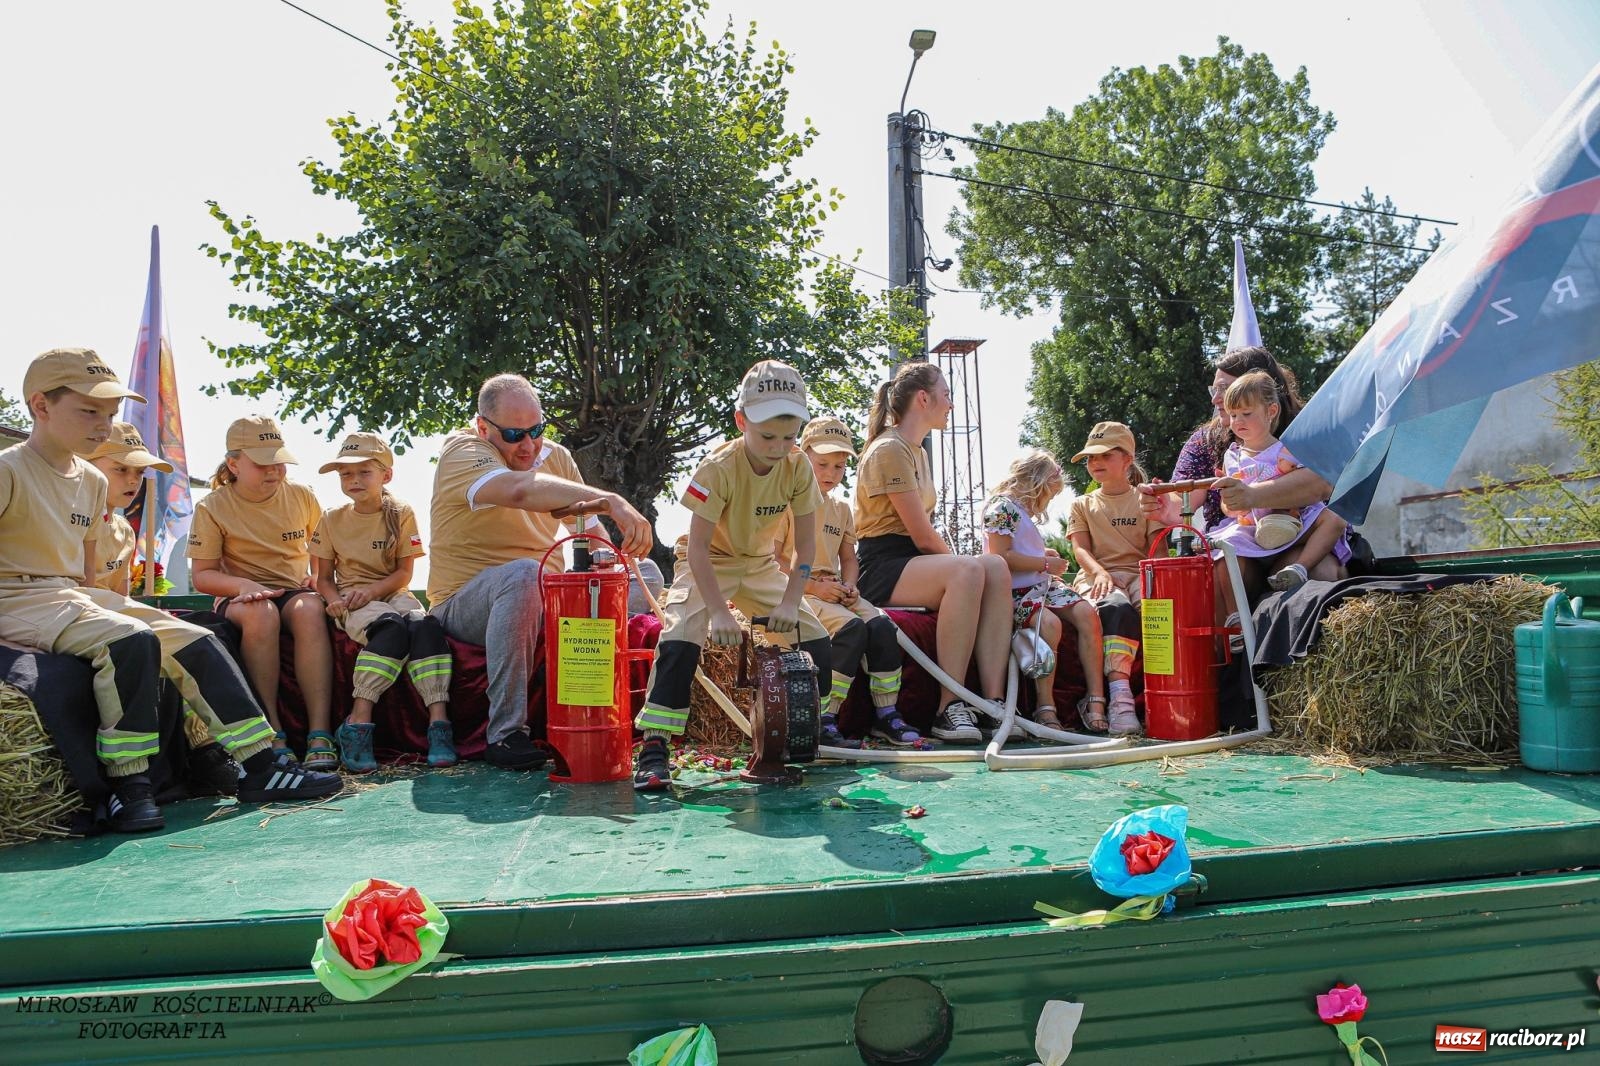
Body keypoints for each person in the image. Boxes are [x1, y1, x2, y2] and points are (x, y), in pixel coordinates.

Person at [1, 348, 337, 833]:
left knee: (198, 640)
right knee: (128, 639)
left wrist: (106, 608)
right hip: (13, 596)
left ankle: (262, 765)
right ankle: (129, 787)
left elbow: (88, 579)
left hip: (71, 596)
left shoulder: (92, 479)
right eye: (89, 411)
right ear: (40, 405)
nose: (103, 424)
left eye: (110, 414)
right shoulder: (9, 470)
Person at [428, 372, 651, 771]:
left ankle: (641, 719)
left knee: (644, 572)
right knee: (523, 574)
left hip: (542, 593)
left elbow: (591, 537)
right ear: (483, 427)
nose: (529, 445)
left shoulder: (557, 457)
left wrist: (620, 563)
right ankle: (505, 734)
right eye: (514, 434)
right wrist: (611, 499)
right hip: (464, 605)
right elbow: (519, 490)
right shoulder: (462, 452)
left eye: (536, 430)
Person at [633, 360, 833, 790]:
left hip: (760, 565)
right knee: (681, 634)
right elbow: (699, 550)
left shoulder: (798, 467)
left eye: (789, 436)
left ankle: (811, 730)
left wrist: (790, 602)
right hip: (709, 562)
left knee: (816, 639)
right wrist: (720, 612)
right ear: (741, 420)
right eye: (767, 436)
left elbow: (806, 549)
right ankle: (654, 747)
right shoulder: (717, 468)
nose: (779, 446)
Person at [81, 421, 248, 796]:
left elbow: (123, 599)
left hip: (112, 621)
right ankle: (143, 776)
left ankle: (209, 750)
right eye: (120, 469)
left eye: (139, 472)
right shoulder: (70, 523)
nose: (132, 480)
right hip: (81, 627)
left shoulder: (123, 530)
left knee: (209, 635)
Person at [853, 362, 1013, 744]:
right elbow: (923, 537)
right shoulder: (890, 449)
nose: (951, 405)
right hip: (882, 563)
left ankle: (993, 705)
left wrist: (973, 564)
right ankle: (949, 707)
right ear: (923, 399)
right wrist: (965, 565)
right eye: (946, 395)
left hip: (913, 561)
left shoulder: (918, 452)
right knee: (969, 571)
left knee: (996, 565)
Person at [188, 416, 338, 769]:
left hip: (292, 591)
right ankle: (272, 732)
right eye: (262, 463)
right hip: (239, 597)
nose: (274, 471)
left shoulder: (302, 495)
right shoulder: (211, 506)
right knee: (261, 613)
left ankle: (320, 732)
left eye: (279, 462)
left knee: (309, 610)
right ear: (234, 464)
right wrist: (244, 586)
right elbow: (203, 576)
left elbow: (324, 553)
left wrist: (321, 580)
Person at [311, 432, 455, 773]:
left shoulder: (401, 512)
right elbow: (323, 578)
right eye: (346, 474)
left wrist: (374, 592)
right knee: (390, 628)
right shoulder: (331, 518)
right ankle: (357, 724)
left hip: (390, 593)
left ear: (385, 475)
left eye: (364, 472)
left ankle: (439, 725)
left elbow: (405, 573)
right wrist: (334, 602)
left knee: (425, 625)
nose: (354, 480)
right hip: (354, 600)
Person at [774, 416, 921, 748]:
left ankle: (887, 715)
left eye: (838, 467)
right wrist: (813, 587)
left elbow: (850, 559)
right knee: (851, 629)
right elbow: (774, 560)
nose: (830, 473)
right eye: (822, 464)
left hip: (835, 589)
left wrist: (851, 586)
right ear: (801, 455)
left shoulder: (841, 508)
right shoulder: (784, 502)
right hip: (798, 590)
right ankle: (825, 717)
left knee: (883, 628)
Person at [981, 450, 1107, 732]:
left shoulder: (1019, 511)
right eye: (1049, 493)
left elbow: (1019, 550)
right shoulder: (1002, 507)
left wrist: (1041, 555)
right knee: (1048, 625)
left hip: (1039, 585)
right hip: (1013, 593)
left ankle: (1095, 699)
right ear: (1037, 482)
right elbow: (999, 557)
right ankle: (1045, 706)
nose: (1048, 502)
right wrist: (1044, 562)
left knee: (1088, 613)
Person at [1207, 372, 1349, 607]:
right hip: (1253, 526)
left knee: (1335, 518)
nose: (1238, 421)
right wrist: (1229, 504)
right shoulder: (1231, 456)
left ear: (1271, 412)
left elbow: (1312, 484)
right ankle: (1236, 616)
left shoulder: (1288, 449)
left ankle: (1300, 567)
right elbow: (1227, 504)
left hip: (1292, 520)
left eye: (1246, 414)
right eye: (1233, 415)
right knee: (1225, 550)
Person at [1066, 422, 1163, 736]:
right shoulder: (1082, 504)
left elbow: (1155, 551)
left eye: (1105, 455)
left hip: (1139, 574)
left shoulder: (1145, 500)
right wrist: (1101, 573)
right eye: (1090, 458)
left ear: (1127, 459)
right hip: (1098, 577)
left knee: (1159, 612)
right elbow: (1080, 550)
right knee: (1117, 608)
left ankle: (1164, 696)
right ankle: (1121, 700)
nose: (1095, 463)